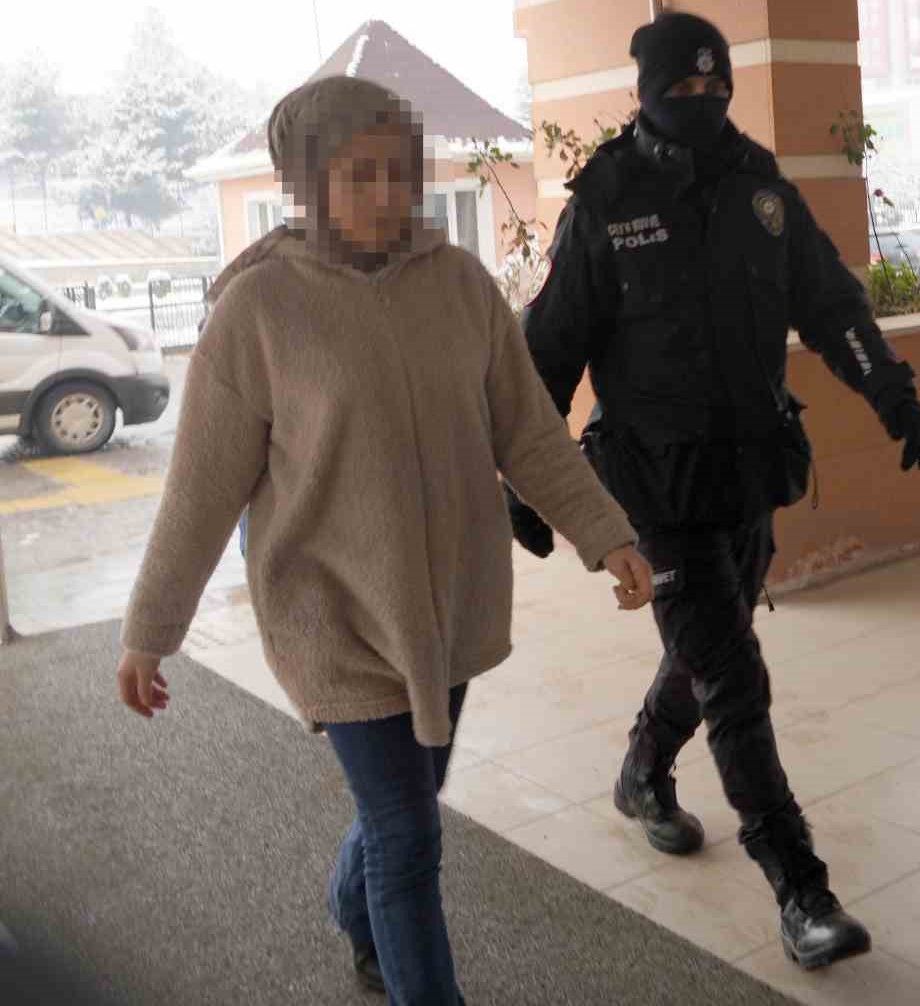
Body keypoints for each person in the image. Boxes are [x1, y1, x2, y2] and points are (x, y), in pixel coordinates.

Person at [115, 76, 651, 1005]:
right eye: (357, 174)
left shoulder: (461, 286)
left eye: (397, 170)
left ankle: (349, 906)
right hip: (333, 614)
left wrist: (606, 535)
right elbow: (200, 490)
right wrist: (149, 631)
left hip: (451, 606)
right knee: (409, 837)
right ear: (306, 183)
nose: (386, 193)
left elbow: (528, 433)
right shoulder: (259, 310)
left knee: (406, 804)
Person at [508, 11, 920, 972]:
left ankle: (641, 772)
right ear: (646, 93)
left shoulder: (758, 185)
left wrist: (889, 388)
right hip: (654, 487)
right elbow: (548, 351)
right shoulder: (606, 199)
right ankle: (801, 890)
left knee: (709, 646)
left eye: (716, 86)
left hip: (748, 472)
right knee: (735, 679)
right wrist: (528, 486)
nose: (702, 101)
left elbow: (829, 302)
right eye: (682, 88)